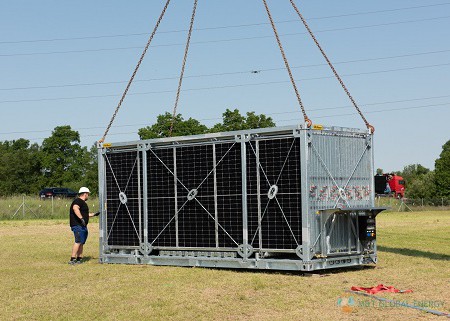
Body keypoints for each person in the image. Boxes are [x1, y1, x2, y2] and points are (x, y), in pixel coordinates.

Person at [68, 187, 99, 265]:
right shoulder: (78, 201)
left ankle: (79, 258)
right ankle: (72, 259)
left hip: (82, 226)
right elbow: (75, 208)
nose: (88, 196)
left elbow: (85, 214)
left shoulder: (83, 203)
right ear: (85, 194)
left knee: (81, 242)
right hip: (77, 225)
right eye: (88, 194)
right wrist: (81, 218)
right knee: (78, 241)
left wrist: (94, 214)